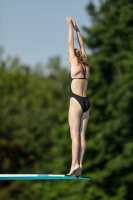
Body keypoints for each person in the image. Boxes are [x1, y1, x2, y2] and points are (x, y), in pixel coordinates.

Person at [66, 15, 90, 176]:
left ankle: (74, 164)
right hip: (86, 103)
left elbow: (71, 44)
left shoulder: (75, 63)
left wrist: (69, 27)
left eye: (69, 57)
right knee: (82, 135)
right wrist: (78, 30)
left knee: (74, 134)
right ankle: (80, 164)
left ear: (73, 57)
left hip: (76, 101)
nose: (68, 60)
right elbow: (82, 47)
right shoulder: (86, 66)